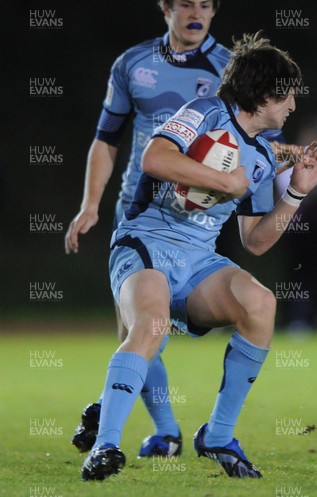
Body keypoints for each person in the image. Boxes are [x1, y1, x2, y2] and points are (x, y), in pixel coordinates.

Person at [80, 32, 317, 481]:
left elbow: (255, 241)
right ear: (263, 95)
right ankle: (105, 446)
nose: (292, 107)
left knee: (261, 303)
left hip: (198, 261)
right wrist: (224, 183)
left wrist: (295, 193)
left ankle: (216, 435)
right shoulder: (203, 112)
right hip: (145, 244)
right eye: (287, 96)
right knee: (152, 325)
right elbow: (156, 158)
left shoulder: (259, 152)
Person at [64, 0, 230, 458]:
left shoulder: (229, 68)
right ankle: (166, 432)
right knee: (137, 328)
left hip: (197, 219)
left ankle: (146, 422)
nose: (195, 12)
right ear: (166, 7)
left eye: (204, 4)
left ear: (215, 10)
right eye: (185, 3)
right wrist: (90, 205)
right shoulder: (133, 64)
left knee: (150, 326)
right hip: (137, 213)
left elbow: (257, 138)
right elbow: (107, 138)